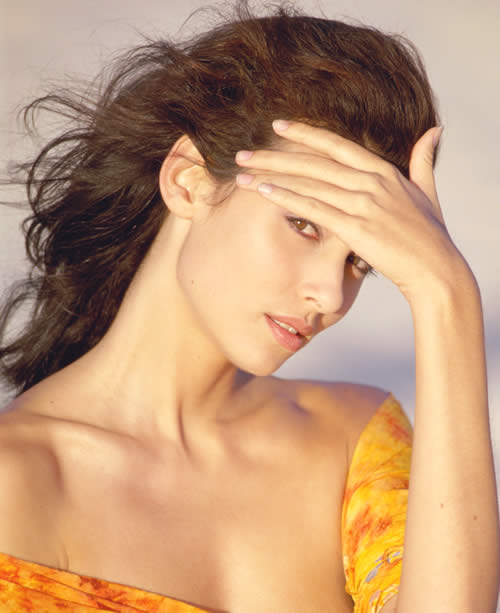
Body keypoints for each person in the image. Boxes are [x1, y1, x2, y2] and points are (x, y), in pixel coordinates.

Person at [0, 1, 498, 612]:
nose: (330, 294)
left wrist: (447, 295)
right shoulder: (17, 482)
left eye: (360, 262)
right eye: (303, 225)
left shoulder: (354, 442)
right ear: (188, 179)